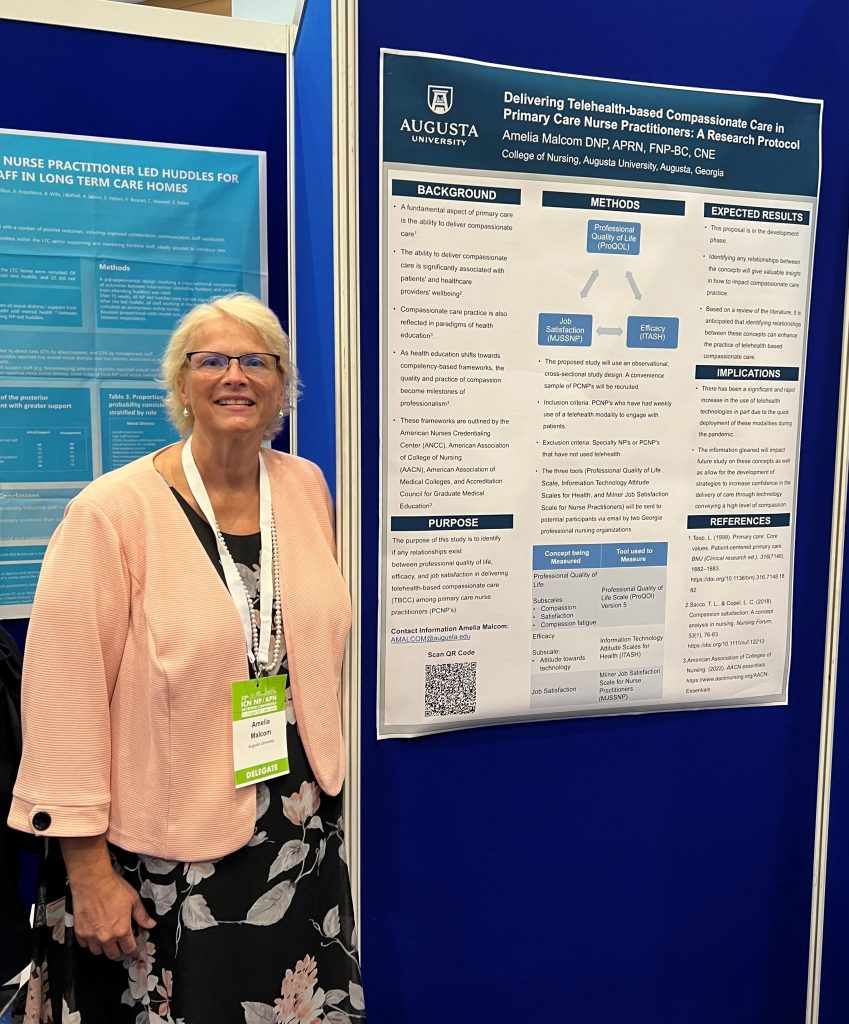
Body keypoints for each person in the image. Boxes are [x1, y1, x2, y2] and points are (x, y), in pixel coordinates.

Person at [8, 294, 364, 1024]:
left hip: (295, 828)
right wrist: (89, 873)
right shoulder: (113, 512)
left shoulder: (303, 487)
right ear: (181, 385)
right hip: (164, 852)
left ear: (281, 384)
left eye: (256, 361)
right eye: (212, 360)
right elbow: (63, 698)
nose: (235, 375)